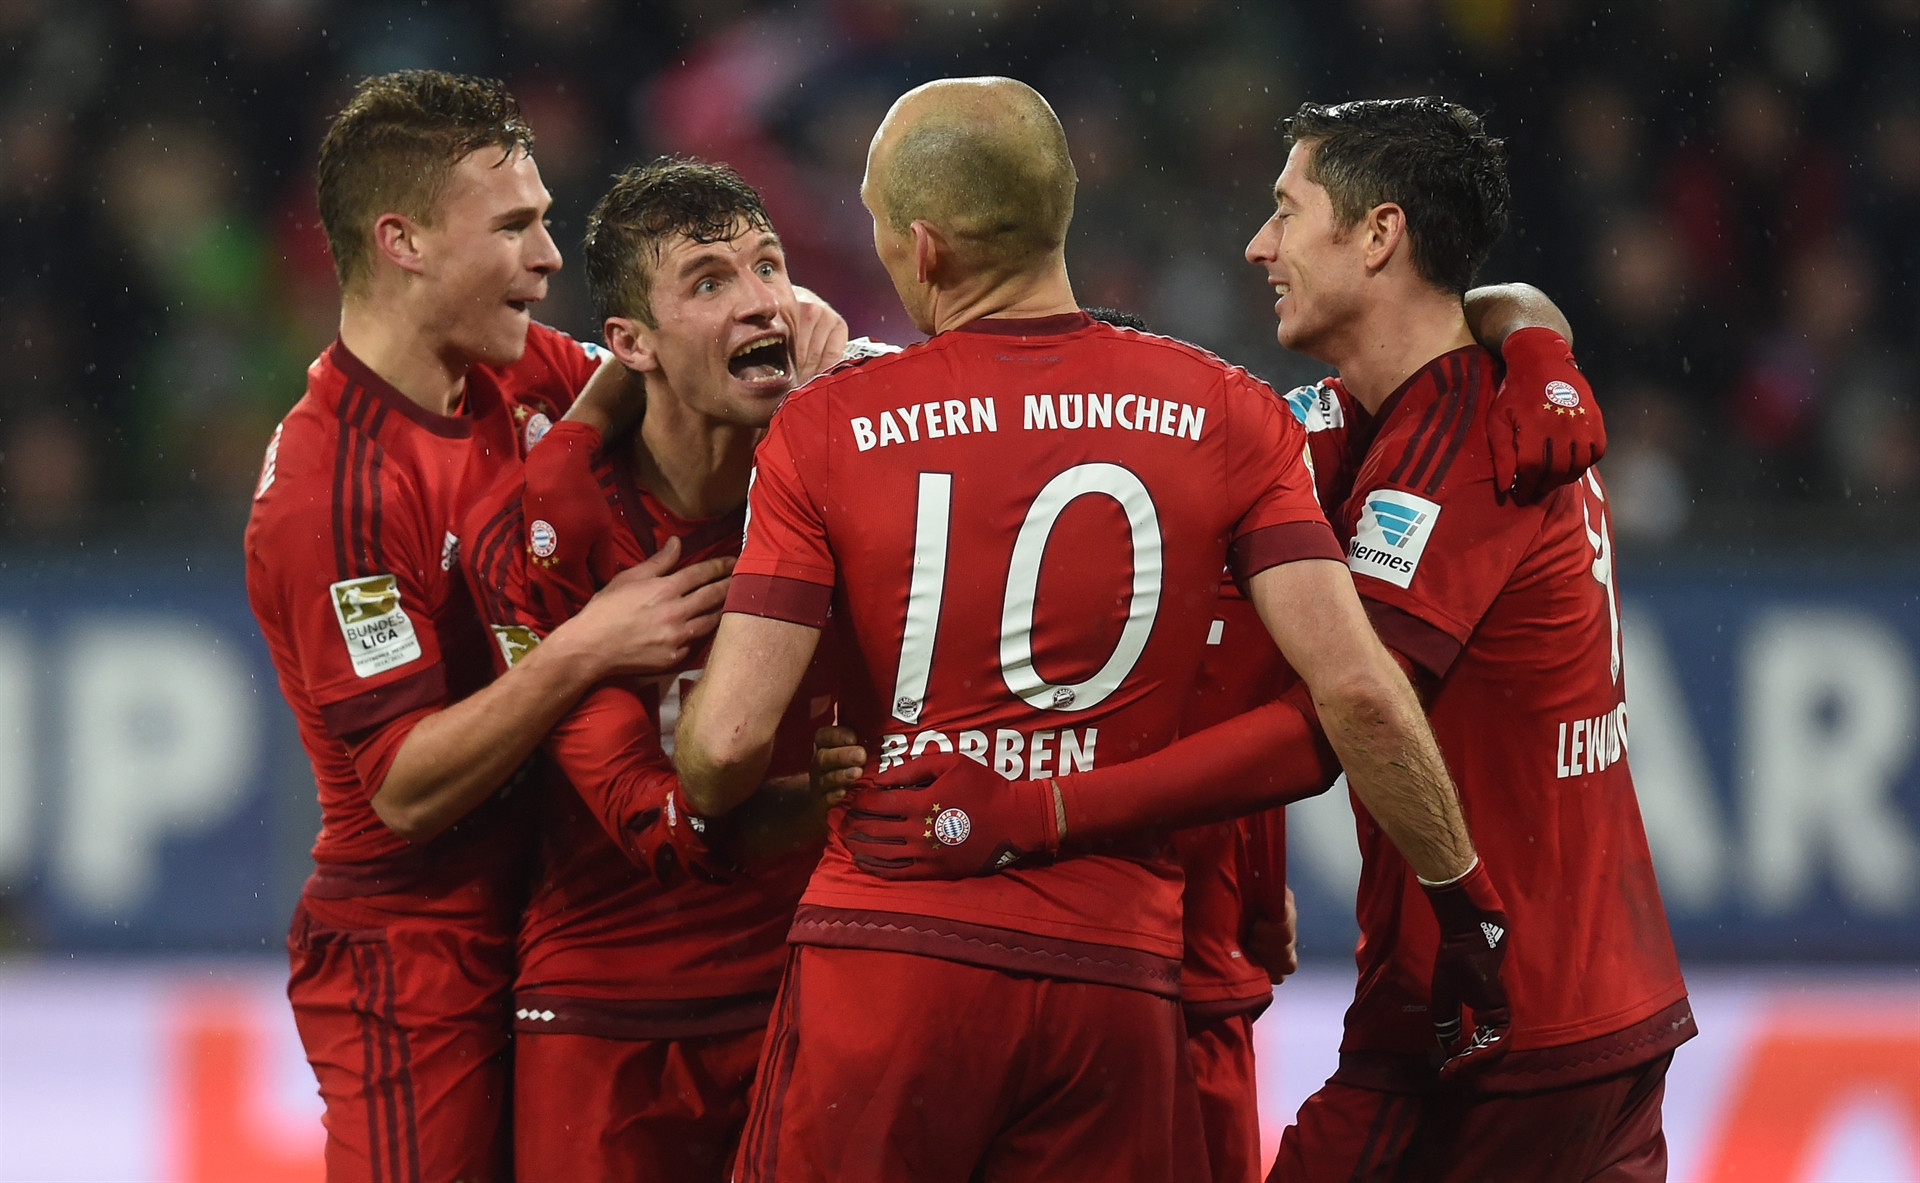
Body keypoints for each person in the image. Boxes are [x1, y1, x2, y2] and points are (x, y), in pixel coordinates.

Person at [672, 76, 1501, 1183]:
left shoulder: (828, 425)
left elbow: (725, 745)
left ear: (923, 247)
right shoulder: (1229, 412)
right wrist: (1462, 897)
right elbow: (1355, 694)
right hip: (1111, 980)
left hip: (888, 956)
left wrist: (714, 767)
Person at [866, 96, 1692, 1182]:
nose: (1259, 245)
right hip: (1599, 1009)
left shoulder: (1465, 441)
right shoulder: (1433, 405)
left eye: (1287, 211)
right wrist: (1536, 328)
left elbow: (1340, 718)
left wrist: (1038, 811)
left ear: (1379, 235)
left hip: (1490, 1022)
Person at [244, 71, 729, 1182]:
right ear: (403, 242)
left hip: (566, 905)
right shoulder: (333, 490)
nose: (549, 258)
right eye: (514, 228)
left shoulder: (517, 375)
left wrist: (796, 336)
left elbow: (650, 382)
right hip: (417, 946)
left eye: (543, 221)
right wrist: (588, 646)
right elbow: (406, 789)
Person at [457, 157, 866, 1182]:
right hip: (609, 1019)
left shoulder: (860, 461)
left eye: (769, 266)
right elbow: (662, 831)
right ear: (631, 344)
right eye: (709, 282)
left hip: (809, 990)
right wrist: (829, 800)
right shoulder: (545, 533)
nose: (761, 301)